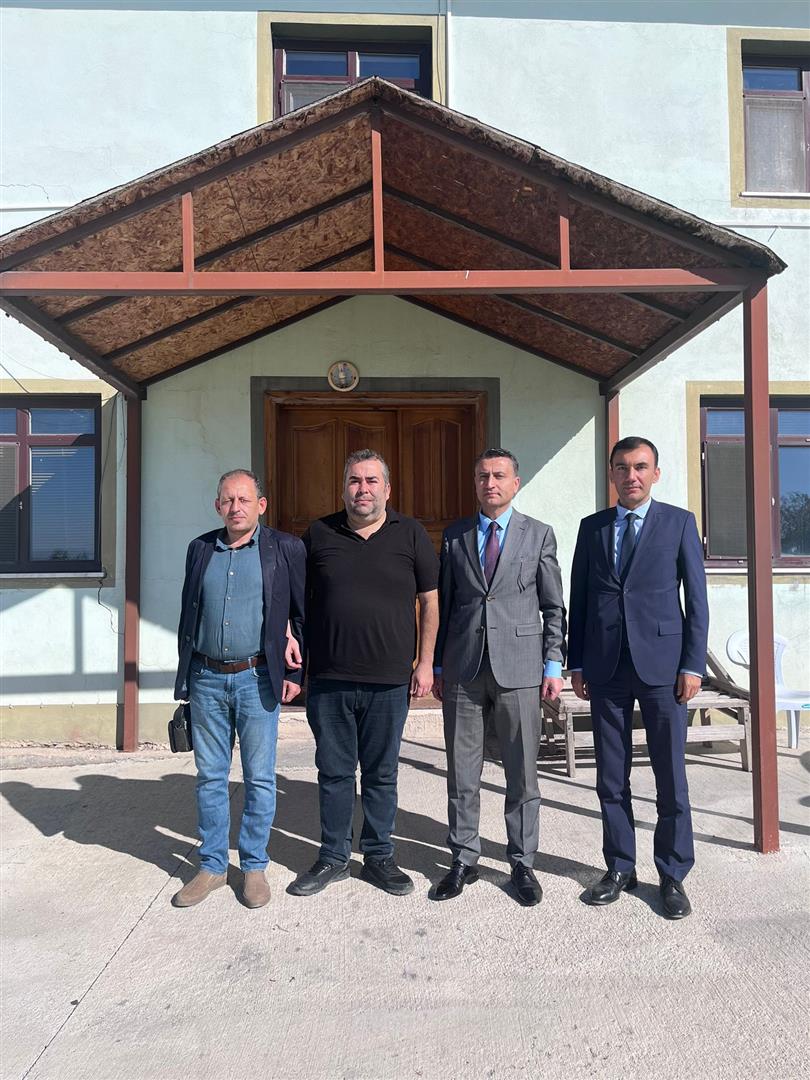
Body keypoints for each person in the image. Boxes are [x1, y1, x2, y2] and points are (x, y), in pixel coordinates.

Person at [288, 449, 439, 898]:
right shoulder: (318, 534)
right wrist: (289, 640)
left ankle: (378, 856)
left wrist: (425, 662)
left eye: (372, 481)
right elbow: (294, 599)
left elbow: (430, 601)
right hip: (329, 678)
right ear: (343, 489)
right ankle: (333, 857)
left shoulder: (411, 533)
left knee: (381, 774)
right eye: (355, 481)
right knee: (334, 772)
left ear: (387, 489)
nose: (363, 489)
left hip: (389, 681)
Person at [568, 436, 708, 919]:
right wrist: (577, 662)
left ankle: (672, 874)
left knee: (670, 776)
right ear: (611, 473)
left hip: (664, 670)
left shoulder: (679, 523)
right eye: (623, 467)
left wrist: (692, 665)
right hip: (605, 667)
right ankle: (619, 868)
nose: (632, 476)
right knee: (611, 776)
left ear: (655, 473)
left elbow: (697, 601)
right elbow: (580, 598)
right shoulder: (592, 528)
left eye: (641, 467)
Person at [432, 449, 566, 906]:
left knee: (522, 772)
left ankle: (522, 862)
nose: (490, 483)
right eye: (483, 476)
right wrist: (437, 665)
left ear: (515, 483)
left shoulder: (539, 534)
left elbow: (553, 607)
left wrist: (553, 664)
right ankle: (463, 858)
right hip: (464, 668)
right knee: (461, 771)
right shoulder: (455, 536)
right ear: (475, 483)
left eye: (499, 475)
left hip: (521, 668)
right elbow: (446, 603)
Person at [172, 469, 305, 909]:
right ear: (218, 506)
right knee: (210, 777)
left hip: (257, 678)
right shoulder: (199, 549)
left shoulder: (284, 548)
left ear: (261, 505)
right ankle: (212, 865)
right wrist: (186, 675)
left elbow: (300, 613)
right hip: (206, 679)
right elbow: (189, 613)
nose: (236, 508)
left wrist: (295, 673)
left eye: (244, 500)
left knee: (259, 778)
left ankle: (253, 866)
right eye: (228, 500)